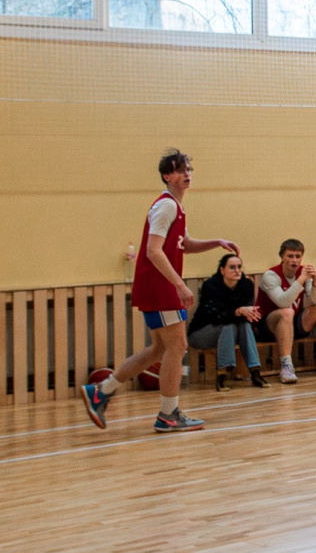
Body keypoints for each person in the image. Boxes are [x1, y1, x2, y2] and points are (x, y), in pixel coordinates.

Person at [82, 149, 238, 433]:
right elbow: (153, 250)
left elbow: (184, 245)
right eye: (179, 170)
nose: (186, 174)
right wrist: (179, 284)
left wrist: (216, 242)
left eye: (188, 169)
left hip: (157, 285)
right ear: (167, 176)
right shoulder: (166, 206)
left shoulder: (175, 207)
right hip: (160, 286)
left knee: (160, 348)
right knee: (177, 347)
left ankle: (101, 391)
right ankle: (168, 415)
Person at [257, 239, 316, 382]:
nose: (294, 260)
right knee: (287, 312)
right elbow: (283, 302)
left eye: (298, 256)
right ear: (282, 257)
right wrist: (303, 278)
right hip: (268, 325)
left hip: (293, 322)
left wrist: (315, 281)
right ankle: (286, 365)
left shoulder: (304, 273)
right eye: (290, 256)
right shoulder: (271, 275)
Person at [187, 252, 263, 387]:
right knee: (229, 325)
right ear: (222, 270)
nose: (237, 271)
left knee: (244, 325)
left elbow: (247, 315)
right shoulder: (210, 286)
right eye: (232, 267)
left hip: (232, 333)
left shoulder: (246, 285)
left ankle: (255, 372)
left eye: (239, 267)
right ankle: (222, 373)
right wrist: (238, 311)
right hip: (202, 333)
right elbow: (215, 317)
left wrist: (247, 313)